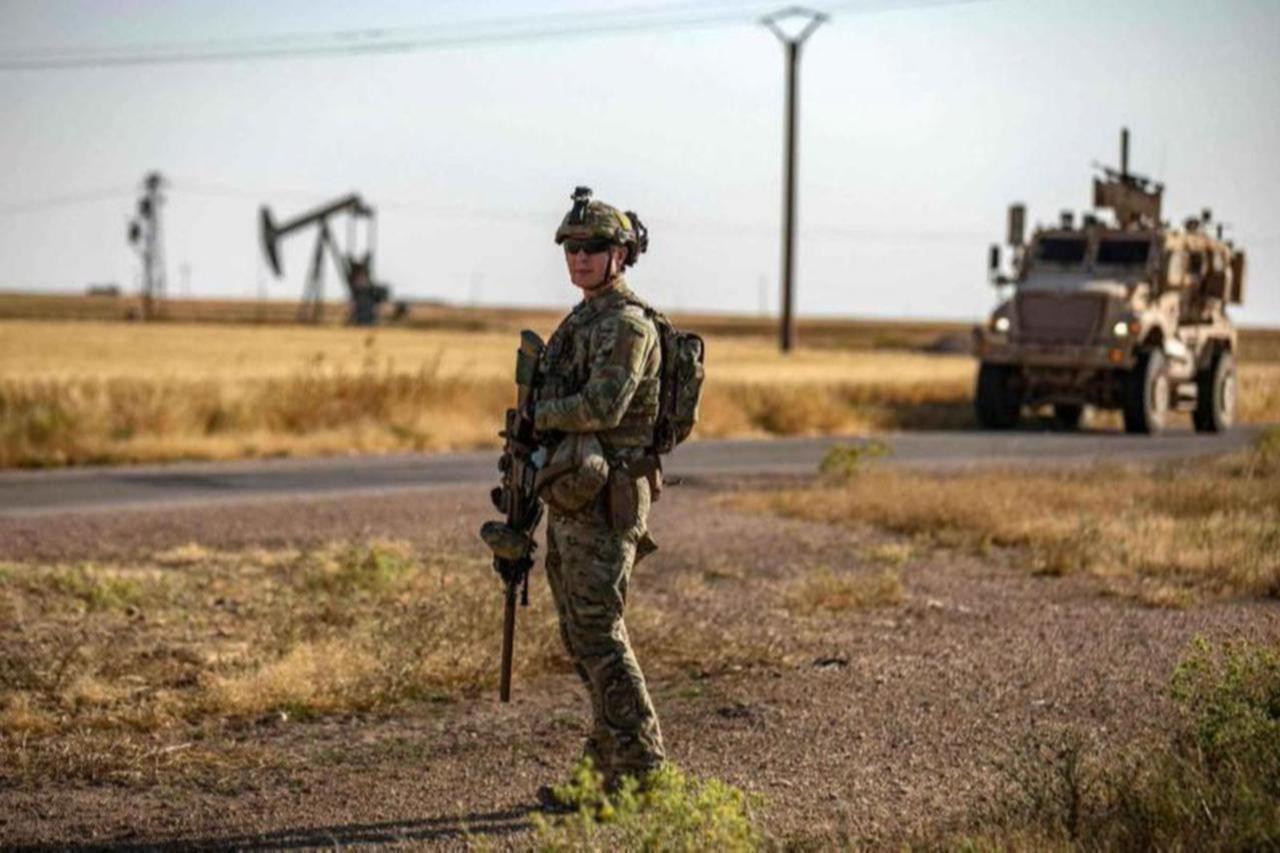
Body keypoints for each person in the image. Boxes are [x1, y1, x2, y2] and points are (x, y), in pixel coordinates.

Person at [532, 187, 666, 803]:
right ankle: (604, 771)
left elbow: (604, 405)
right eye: (572, 248)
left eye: (593, 247)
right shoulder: (583, 319)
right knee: (580, 635)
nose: (580, 257)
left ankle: (641, 769)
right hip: (573, 494)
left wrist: (541, 414)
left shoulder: (627, 325)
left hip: (608, 496)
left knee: (599, 633)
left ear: (621, 254)